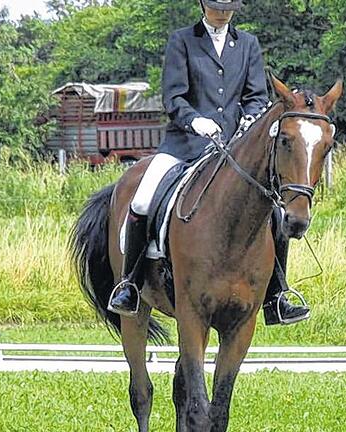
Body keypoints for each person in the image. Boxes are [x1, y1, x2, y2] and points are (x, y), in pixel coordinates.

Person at [107, 0, 311, 326]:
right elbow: (173, 96)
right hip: (184, 144)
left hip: (233, 150)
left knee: (274, 208)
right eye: (217, 5)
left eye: (229, 6)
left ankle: (276, 295)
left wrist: (249, 120)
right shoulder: (182, 41)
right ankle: (130, 283)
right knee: (143, 198)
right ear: (203, 4)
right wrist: (194, 120)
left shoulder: (247, 44)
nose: (223, 12)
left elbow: (256, 95)